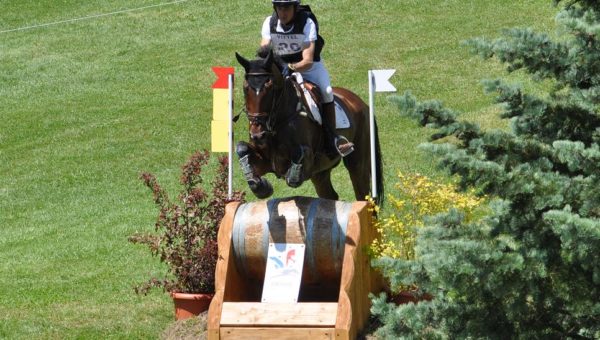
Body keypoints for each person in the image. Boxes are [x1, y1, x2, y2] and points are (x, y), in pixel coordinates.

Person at [259, 0, 354, 157]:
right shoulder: (269, 23)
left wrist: (289, 68)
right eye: (279, 8)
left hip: (309, 68)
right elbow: (264, 52)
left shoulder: (306, 22)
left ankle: (333, 139)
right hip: (281, 67)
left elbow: (307, 60)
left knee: (327, 90)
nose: (283, 12)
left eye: (287, 8)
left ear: (295, 8)